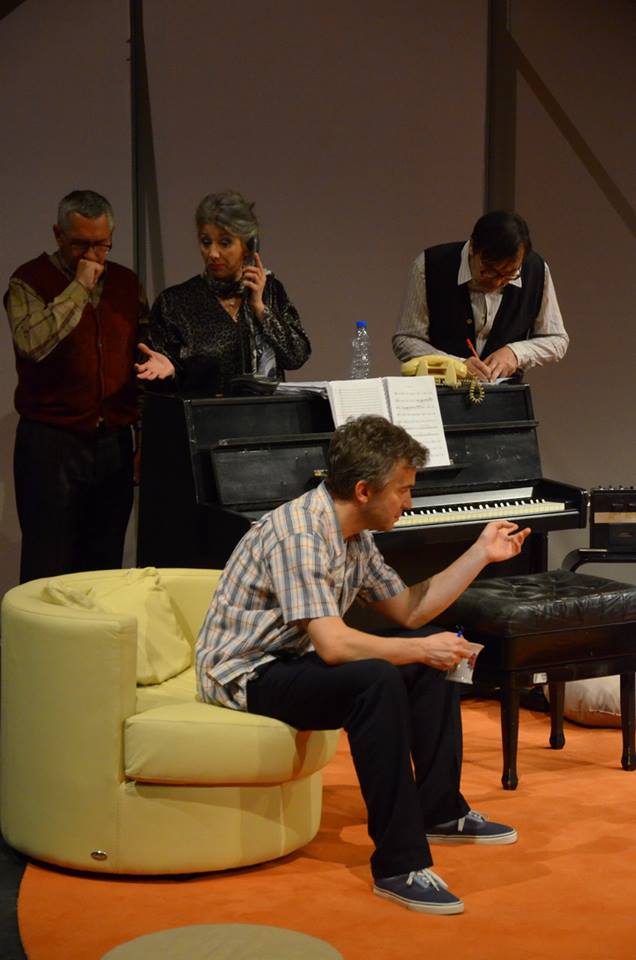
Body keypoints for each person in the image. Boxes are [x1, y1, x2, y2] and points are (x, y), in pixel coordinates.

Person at [196, 415, 530, 915]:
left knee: (424, 656)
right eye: (403, 490)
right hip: (244, 673)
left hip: (293, 659)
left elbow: (410, 610)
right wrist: (420, 649)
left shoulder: (354, 536)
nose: (409, 502)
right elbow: (333, 646)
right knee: (378, 678)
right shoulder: (300, 534)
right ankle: (398, 864)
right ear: (363, 490)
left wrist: (480, 554)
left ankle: (441, 810)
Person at [5, 189, 148, 583]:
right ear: (58, 234)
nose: (92, 255)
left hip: (113, 443)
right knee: (48, 562)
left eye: (101, 245)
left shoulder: (126, 283)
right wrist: (79, 287)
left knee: (104, 564)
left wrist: (142, 438)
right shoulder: (28, 280)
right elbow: (33, 343)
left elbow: (140, 363)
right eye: (80, 244)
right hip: (51, 444)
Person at [135, 190, 310, 395]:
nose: (213, 253)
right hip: (205, 414)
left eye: (225, 243)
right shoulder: (174, 303)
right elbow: (158, 386)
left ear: (248, 246)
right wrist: (171, 373)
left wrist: (261, 310)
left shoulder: (269, 290)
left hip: (266, 414)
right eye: (206, 242)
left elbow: (297, 356)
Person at [393, 210, 569, 381]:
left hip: (506, 395)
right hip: (441, 393)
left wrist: (516, 353)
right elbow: (406, 340)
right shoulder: (430, 266)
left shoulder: (536, 270)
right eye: (488, 271)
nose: (497, 282)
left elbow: (556, 339)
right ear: (472, 247)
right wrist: (456, 365)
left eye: (509, 274)